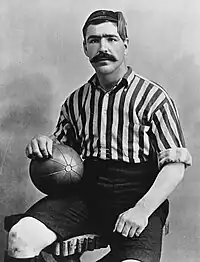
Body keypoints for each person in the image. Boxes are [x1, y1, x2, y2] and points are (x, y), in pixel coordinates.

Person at [4, 9, 192, 262]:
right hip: (86, 195)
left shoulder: (154, 98)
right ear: (85, 48)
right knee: (20, 237)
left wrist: (142, 210)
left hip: (137, 198)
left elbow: (175, 166)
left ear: (125, 45)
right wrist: (43, 145)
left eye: (111, 39)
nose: (103, 47)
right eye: (94, 40)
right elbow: (59, 146)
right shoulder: (76, 101)